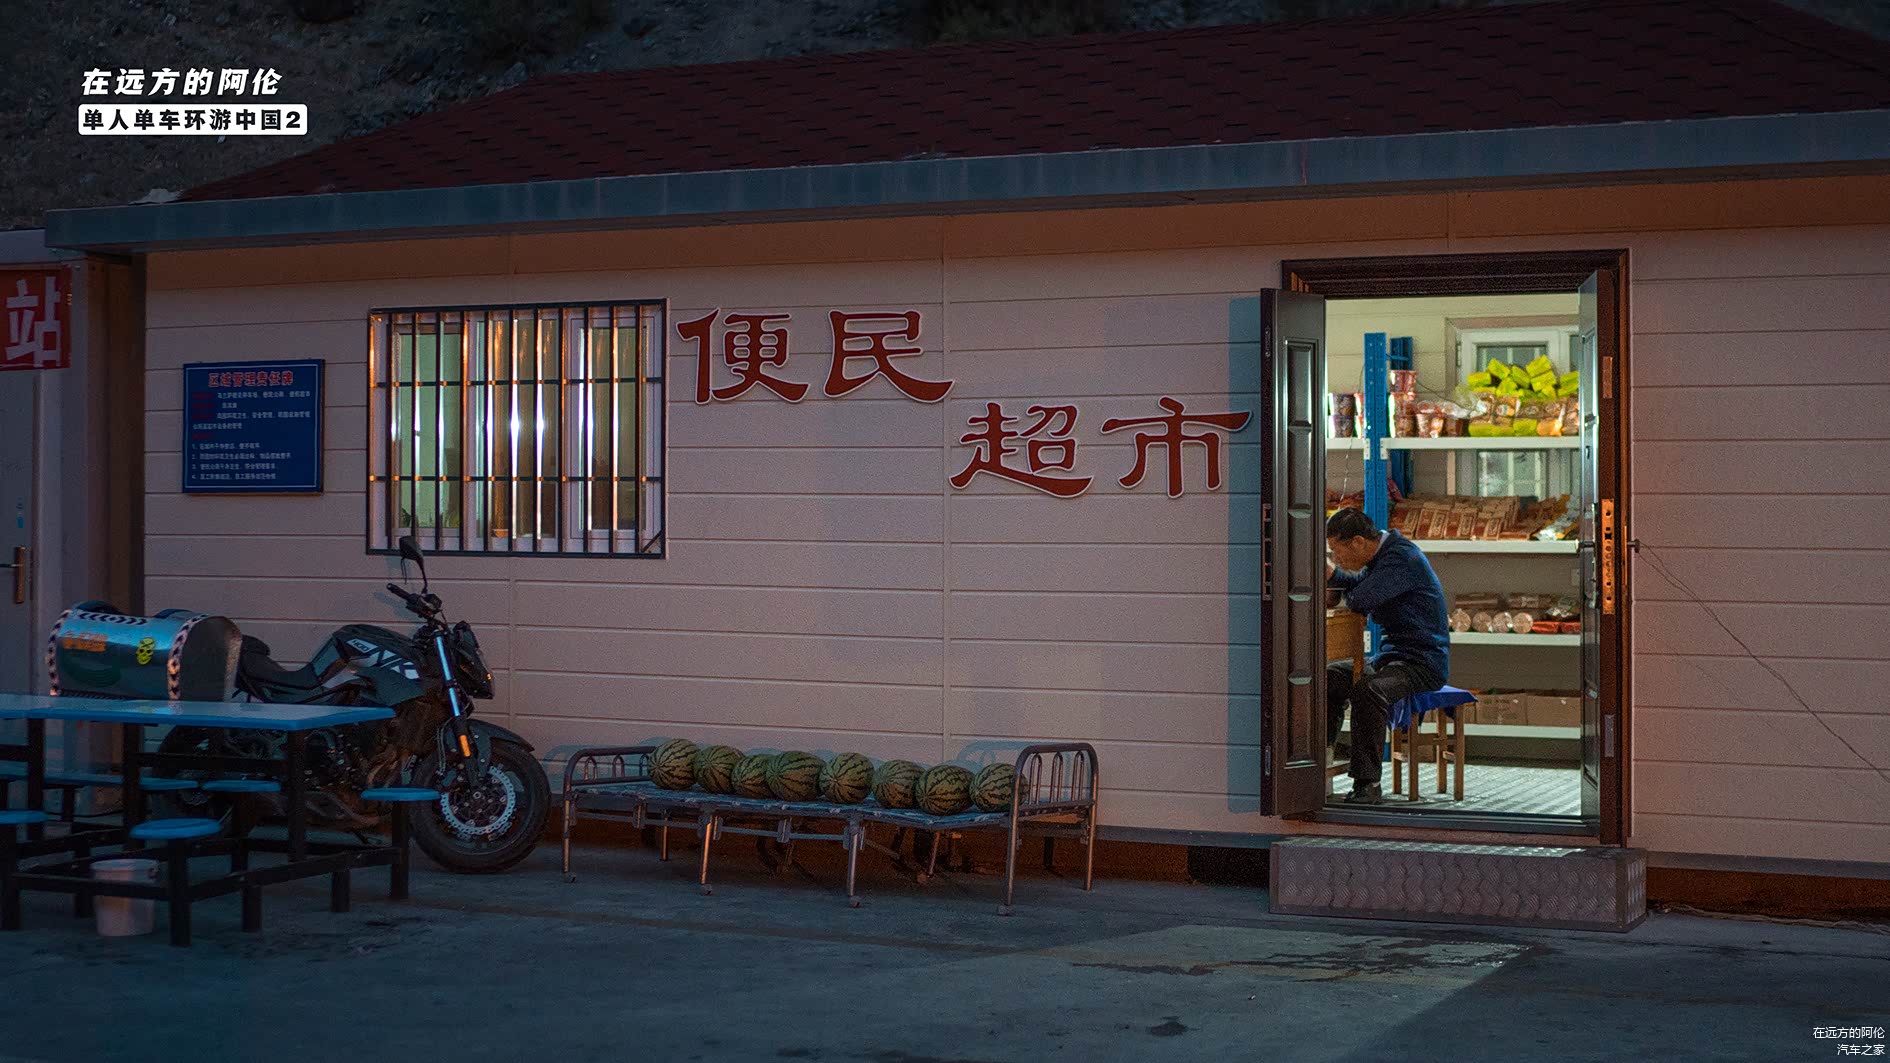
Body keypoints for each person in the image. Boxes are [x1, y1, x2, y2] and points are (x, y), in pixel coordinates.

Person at [1325, 506, 1450, 804]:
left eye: (1337, 551)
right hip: (1390, 659)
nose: (1337, 558)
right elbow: (1359, 584)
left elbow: (1361, 598)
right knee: (1328, 678)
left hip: (1421, 663)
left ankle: (1367, 783)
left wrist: (1338, 584)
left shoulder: (1401, 558)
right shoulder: (1382, 556)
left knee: (1369, 691)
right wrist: (1333, 574)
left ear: (1358, 542)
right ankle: (1321, 760)